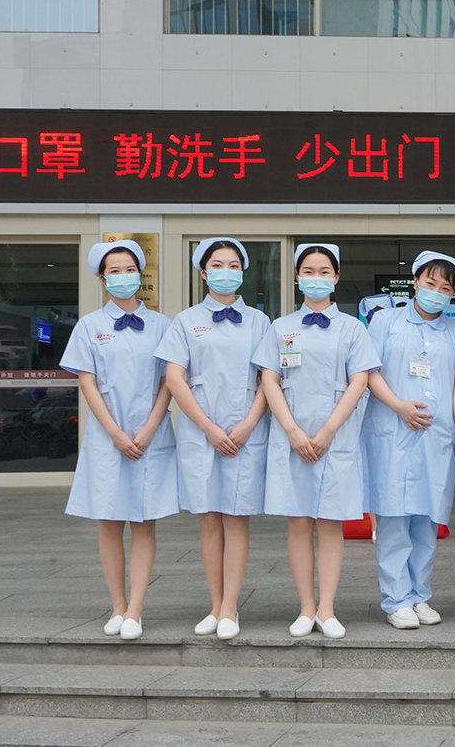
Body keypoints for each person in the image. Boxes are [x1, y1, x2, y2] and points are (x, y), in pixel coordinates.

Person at [255, 244, 380, 640]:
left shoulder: (352, 328)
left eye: (324, 271)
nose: (316, 278)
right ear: (297, 278)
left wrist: (327, 431)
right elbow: (269, 379)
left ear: (336, 278)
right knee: (297, 522)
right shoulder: (281, 327)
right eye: (308, 271)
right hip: (291, 437)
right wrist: (292, 430)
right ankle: (305, 607)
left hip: (335, 438)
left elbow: (359, 381)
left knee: (329, 523)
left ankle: (327, 608)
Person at [62, 240, 177, 641]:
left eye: (130, 270)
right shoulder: (89, 326)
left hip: (151, 436)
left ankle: (136, 610)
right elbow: (87, 383)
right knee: (109, 522)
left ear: (140, 274)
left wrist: (148, 429)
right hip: (106, 437)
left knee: (144, 522)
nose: (124, 277)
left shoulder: (162, 325)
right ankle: (117, 606)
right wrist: (114, 432)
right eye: (115, 271)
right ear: (102, 278)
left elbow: (169, 382)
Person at [156, 237, 270, 641]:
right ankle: (215, 604)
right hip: (200, 431)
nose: (226, 271)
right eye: (217, 265)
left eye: (233, 265)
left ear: (243, 272)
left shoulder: (259, 321)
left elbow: (268, 380)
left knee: (236, 517)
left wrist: (248, 424)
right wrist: (208, 427)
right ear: (203, 273)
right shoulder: (185, 321)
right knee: (208, 519)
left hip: (244, 431)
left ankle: (230, 607)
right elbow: (174, 379)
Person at [363, 251, 455, 629]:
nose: (437, 291)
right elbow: (368, 371)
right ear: (415, 283)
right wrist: (398, 407)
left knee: (427, 518)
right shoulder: (385, 321)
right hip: (392, 432)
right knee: (393, 517)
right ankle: (396, 599)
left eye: (446, 288)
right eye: (430, 283)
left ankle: (420, 595)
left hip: (435, 437)